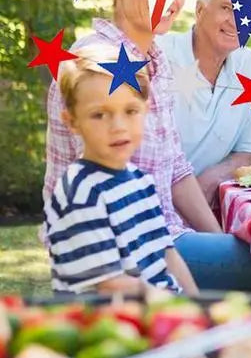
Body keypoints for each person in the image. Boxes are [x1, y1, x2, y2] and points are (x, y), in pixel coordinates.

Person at [43, 0, 251, 293]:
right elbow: (95, 205)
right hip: (118, 257)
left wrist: (218, 240)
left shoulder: (156, 62)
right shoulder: (99, 63)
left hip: (163, 237)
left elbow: (176, 168)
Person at [45, 46, 197, 296]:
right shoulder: (81, 194)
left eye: (130, 111)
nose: (118, 126)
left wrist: (196, 306)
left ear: (145, 110)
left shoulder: (140, 181)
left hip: (159, 308)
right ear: (72, 121)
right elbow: (110, 286)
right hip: (111, 315)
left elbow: (168, 254)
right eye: (99, 115)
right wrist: (172, 305)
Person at [157, 0, 251, 209]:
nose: (237, 21)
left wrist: (209, 180)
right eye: (226, 8)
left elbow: (249, 153)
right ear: (200, 11)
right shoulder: (161, 56)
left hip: (209, 209)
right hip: (156, 205)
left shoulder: (248, 63)